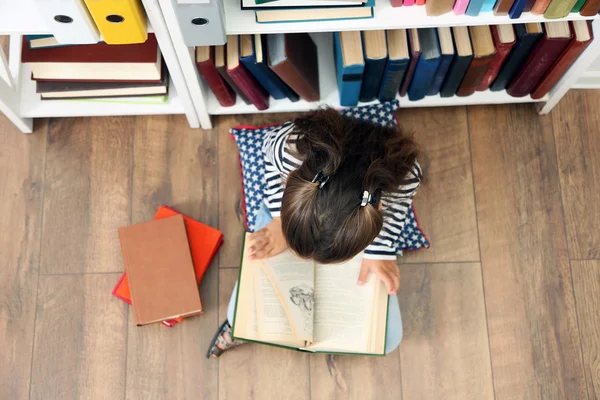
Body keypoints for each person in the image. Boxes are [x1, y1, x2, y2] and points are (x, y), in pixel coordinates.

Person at [207, 108, 421, 358]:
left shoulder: (403, 176)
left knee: (389, 339)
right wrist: (279, 220)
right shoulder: (289, 148)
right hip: (289, 215)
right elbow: (267, 150)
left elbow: (398, 210)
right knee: (238, 314)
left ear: (378, 208)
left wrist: (379, 251)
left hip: (322, 215)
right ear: (288, 180)